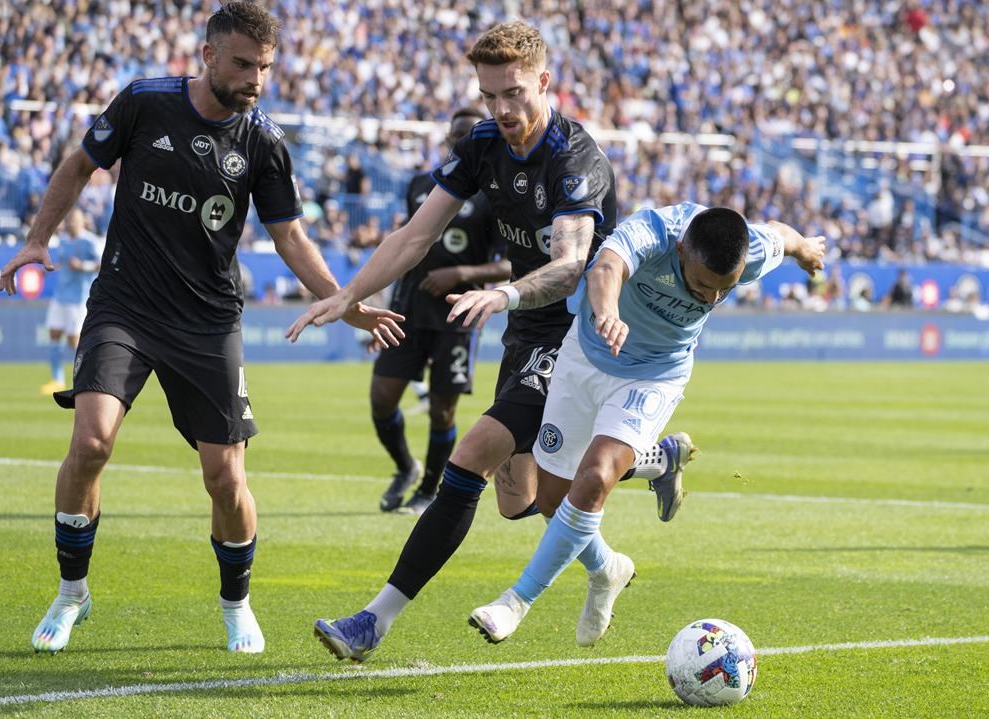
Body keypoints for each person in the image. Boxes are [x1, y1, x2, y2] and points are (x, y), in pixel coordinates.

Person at [0, 1, 402, 655]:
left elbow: (291, 235)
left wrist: (344, 298)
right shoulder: (143, 102)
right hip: (123, 306)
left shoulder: (263, 141)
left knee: (224, 477)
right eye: (244, 64)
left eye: (265, 68)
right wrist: (37, 239)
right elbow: (77, 167)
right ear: (208, 54)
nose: (255, 79)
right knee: (92, 441)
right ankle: (72, 592)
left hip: (208, 322)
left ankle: (235, 602)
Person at [286, 21, 686, 662]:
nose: (502, 109)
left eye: (515, 93)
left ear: (545, 82)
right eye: (490, 93)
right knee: (521, 500)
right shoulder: (480, 144)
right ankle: (636, 492)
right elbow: (414, 237)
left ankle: (372, 622)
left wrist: (502, 293)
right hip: (528, 333)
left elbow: (570, 264)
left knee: (469, 454)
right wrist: (347, 294)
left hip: (581, 335)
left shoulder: (574, 157)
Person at [468, 203, 827, 645]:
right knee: (550, 500)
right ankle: (608, 570)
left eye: (723, 290)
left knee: (596, 476)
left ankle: (515, 601)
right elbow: (605, 270)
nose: (710, 299)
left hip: (656, 374)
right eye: (701, 285)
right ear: (680, 251)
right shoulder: (655, 231)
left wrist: (805, 249)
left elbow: (781, 234)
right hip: (587, 353)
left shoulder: (750, 251)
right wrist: (606, 313)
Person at [373, 107, 510, 514]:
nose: (463, 143)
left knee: (442, 409)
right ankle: (405, 467)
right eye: (458, 136)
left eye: (472, 136)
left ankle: (429, 488)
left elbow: (510, 264)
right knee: (382, 398)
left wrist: (461, 273)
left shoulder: (496, 197)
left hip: (457, 313)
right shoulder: (421, 184)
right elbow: (404, 241)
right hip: (408, 307)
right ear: (450, 139)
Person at [40, 208, 101, 395]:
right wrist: (49, 268)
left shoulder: (90, 241)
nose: (71, 223)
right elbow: (63, 263)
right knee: (54, 333)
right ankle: (57, 379)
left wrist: (82, 266)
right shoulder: (64, 241)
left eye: (75, 220)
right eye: (69, 220)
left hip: (79, 298)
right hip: (60, 296)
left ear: (83, 221)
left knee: (74, 340)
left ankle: (86, 378)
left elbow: (101, 264)